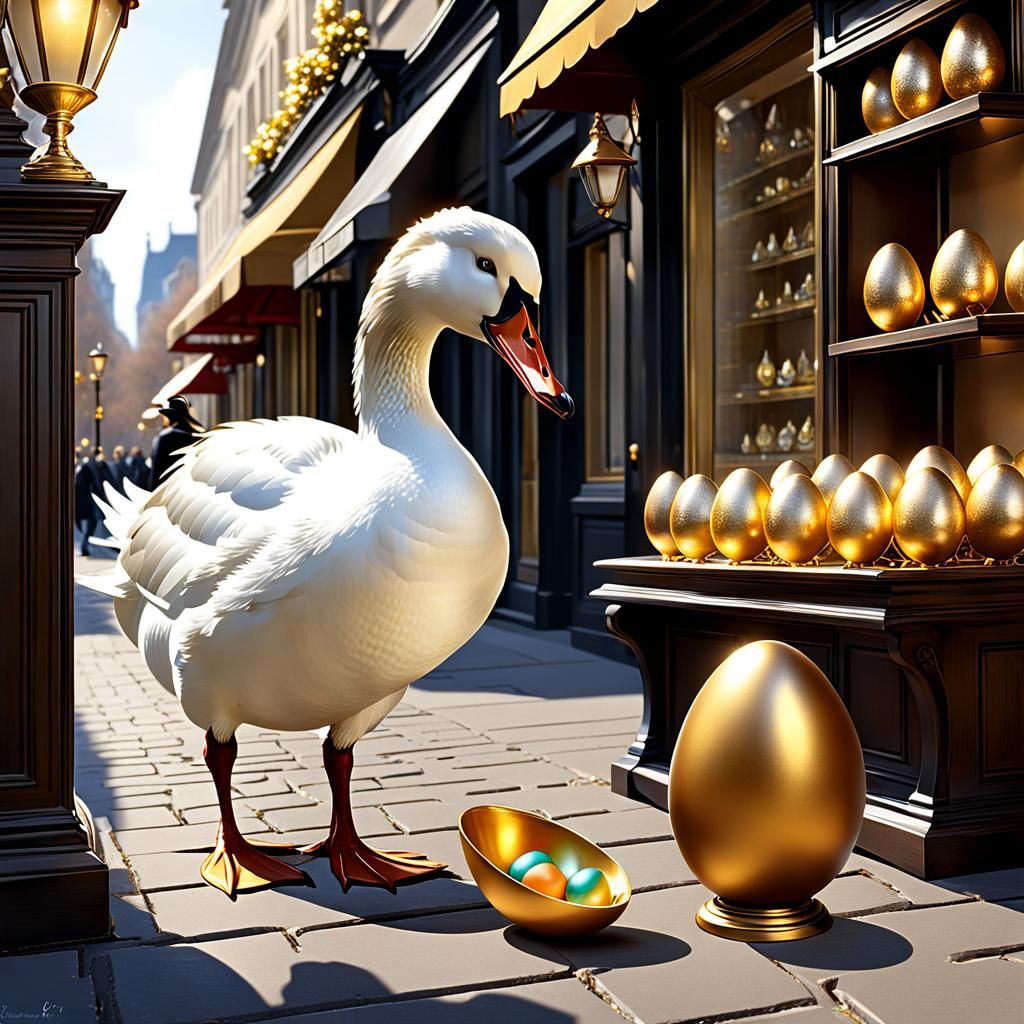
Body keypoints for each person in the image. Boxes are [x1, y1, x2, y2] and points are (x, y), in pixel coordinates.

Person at [149, 395, 205, 489]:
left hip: (169, 489)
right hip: (193, 489)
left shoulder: (164, 438)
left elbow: (156, 471)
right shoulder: (199, 437)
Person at [74, 453, 97, 556]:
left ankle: (84, 545)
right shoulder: (77, 468)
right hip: (76, 502)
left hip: (83, 501)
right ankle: (82, 546)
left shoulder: (84, 468)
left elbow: (93, 482)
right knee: (79, 526)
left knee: (89, 524)